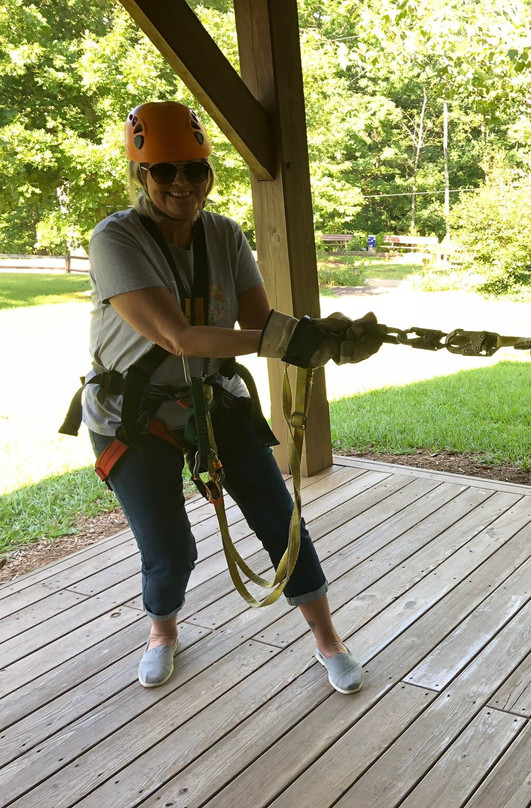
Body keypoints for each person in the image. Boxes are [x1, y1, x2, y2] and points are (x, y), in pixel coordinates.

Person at [64, 101, 382, 693]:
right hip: (132, 412)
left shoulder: (224, 234)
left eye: (193, 168)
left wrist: (320, 337)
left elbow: (261, 325)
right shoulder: (116, 238)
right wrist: (291, 339)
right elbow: (177, 336)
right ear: (141, 176)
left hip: (213, 398)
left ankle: (327, 639)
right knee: (168, 544)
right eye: (164, 171)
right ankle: (162, 631)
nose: (181, 182)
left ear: (209, 173)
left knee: (278, 518)